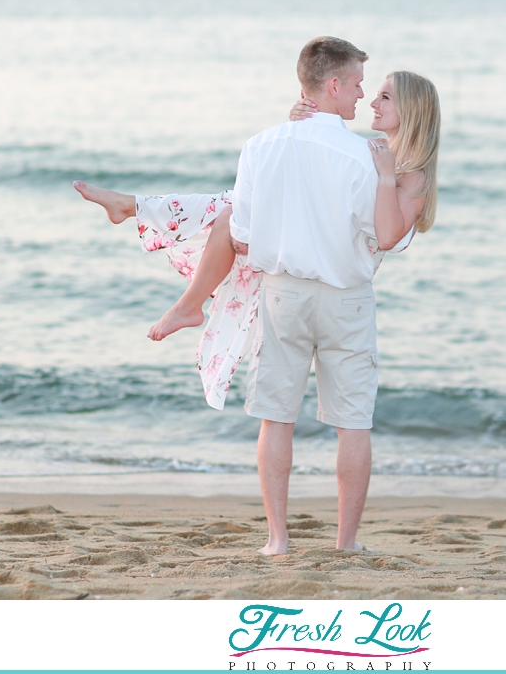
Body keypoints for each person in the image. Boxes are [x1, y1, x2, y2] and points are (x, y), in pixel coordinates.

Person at [75, 38, 440, 553]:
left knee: (277, 417)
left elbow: (242, 233)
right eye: (361, 85)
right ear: (334, 85)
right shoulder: (366, 157)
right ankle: (347, 544)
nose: (366, 96)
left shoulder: (264, 145)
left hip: (284, 296)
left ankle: (276, 541)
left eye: (376, 92)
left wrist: (281, 224)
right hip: (347, 301)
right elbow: (384, 236)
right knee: (352, 424)